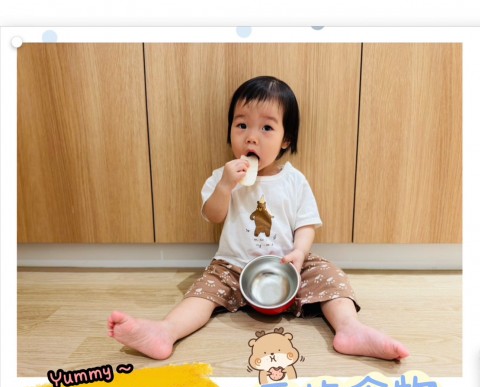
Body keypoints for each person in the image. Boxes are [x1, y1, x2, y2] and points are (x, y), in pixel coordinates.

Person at [108, 76, 409, 362]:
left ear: (285, 139)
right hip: (232, 265)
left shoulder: (293, 180)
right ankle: (166, 331)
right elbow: (213, 215)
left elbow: (306, 224)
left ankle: (349, 329)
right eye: (241, 125)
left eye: (266, 128)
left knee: (331, 275)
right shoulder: (223, 176)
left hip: (287, 265)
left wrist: (300, 253)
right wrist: (225, 186)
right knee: (203, 291)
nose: (251, 137)